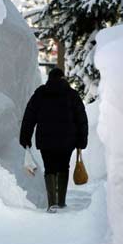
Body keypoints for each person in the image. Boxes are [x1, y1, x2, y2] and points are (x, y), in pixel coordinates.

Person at [20, 67, 88, 213]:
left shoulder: (41, 93)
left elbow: (29, 116)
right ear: (63, 78)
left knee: (50, 168)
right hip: (67, 140)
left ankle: (52, 203)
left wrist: (25, 137)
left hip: (46, 140)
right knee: (63, 167)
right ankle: (61, 201)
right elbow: (81, 118)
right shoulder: (72, 94)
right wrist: (82, 140)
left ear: (49, 78)